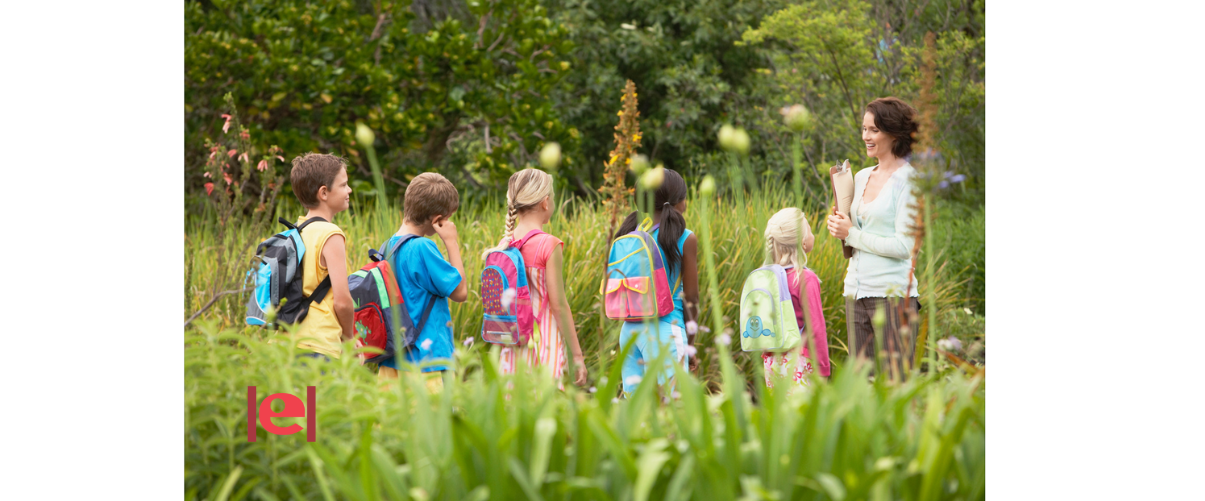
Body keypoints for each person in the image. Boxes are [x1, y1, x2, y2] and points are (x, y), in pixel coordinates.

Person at [826, 97, 921, 380]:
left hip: (893, 297)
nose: (866, 136)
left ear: (894, 133)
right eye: (864, 129)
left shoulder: (910, 181)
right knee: (862, 391)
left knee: (897, 387)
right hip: (855, 291)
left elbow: (905, 246)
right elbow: (857, 231)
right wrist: (840, 225)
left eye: (874, 130)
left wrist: (852, 234)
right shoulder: (862, 175)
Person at [482, 168, 589, 387]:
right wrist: (577, 355)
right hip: (543, 343)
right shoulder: (548, 244)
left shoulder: (504, 245)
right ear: (545, 202)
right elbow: (558, 305)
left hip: (512, 343)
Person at [377, 172, 468, 391]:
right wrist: (451, 242)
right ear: (437, 220)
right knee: (434, 424)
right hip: (426, 364)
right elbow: (460, 292)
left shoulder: (387, 247)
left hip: (392, 359)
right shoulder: (422, 247)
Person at [615, 169, 699, 396]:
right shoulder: (684, 237)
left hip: (629, 331)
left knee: (635, 408)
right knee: (671, 411)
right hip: (666, 330)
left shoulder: (630, 233)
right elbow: (691, 298)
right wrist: (690, 346)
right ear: (679, 202)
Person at [289, 153, 356, 361]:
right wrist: (350, 341)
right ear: (324, 193)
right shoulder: (330, 234)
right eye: (344, 185)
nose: (349, 190)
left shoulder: (296, 231)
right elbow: (343, 302)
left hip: (287, 341)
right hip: (319, 345)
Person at [760, 208, 830, 390]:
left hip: (772, 361)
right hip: (799, 362)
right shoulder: (805, 279)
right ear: (803, 242)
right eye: (810, 230)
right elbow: (816, 328)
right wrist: (823, 369)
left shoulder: (767, 277)